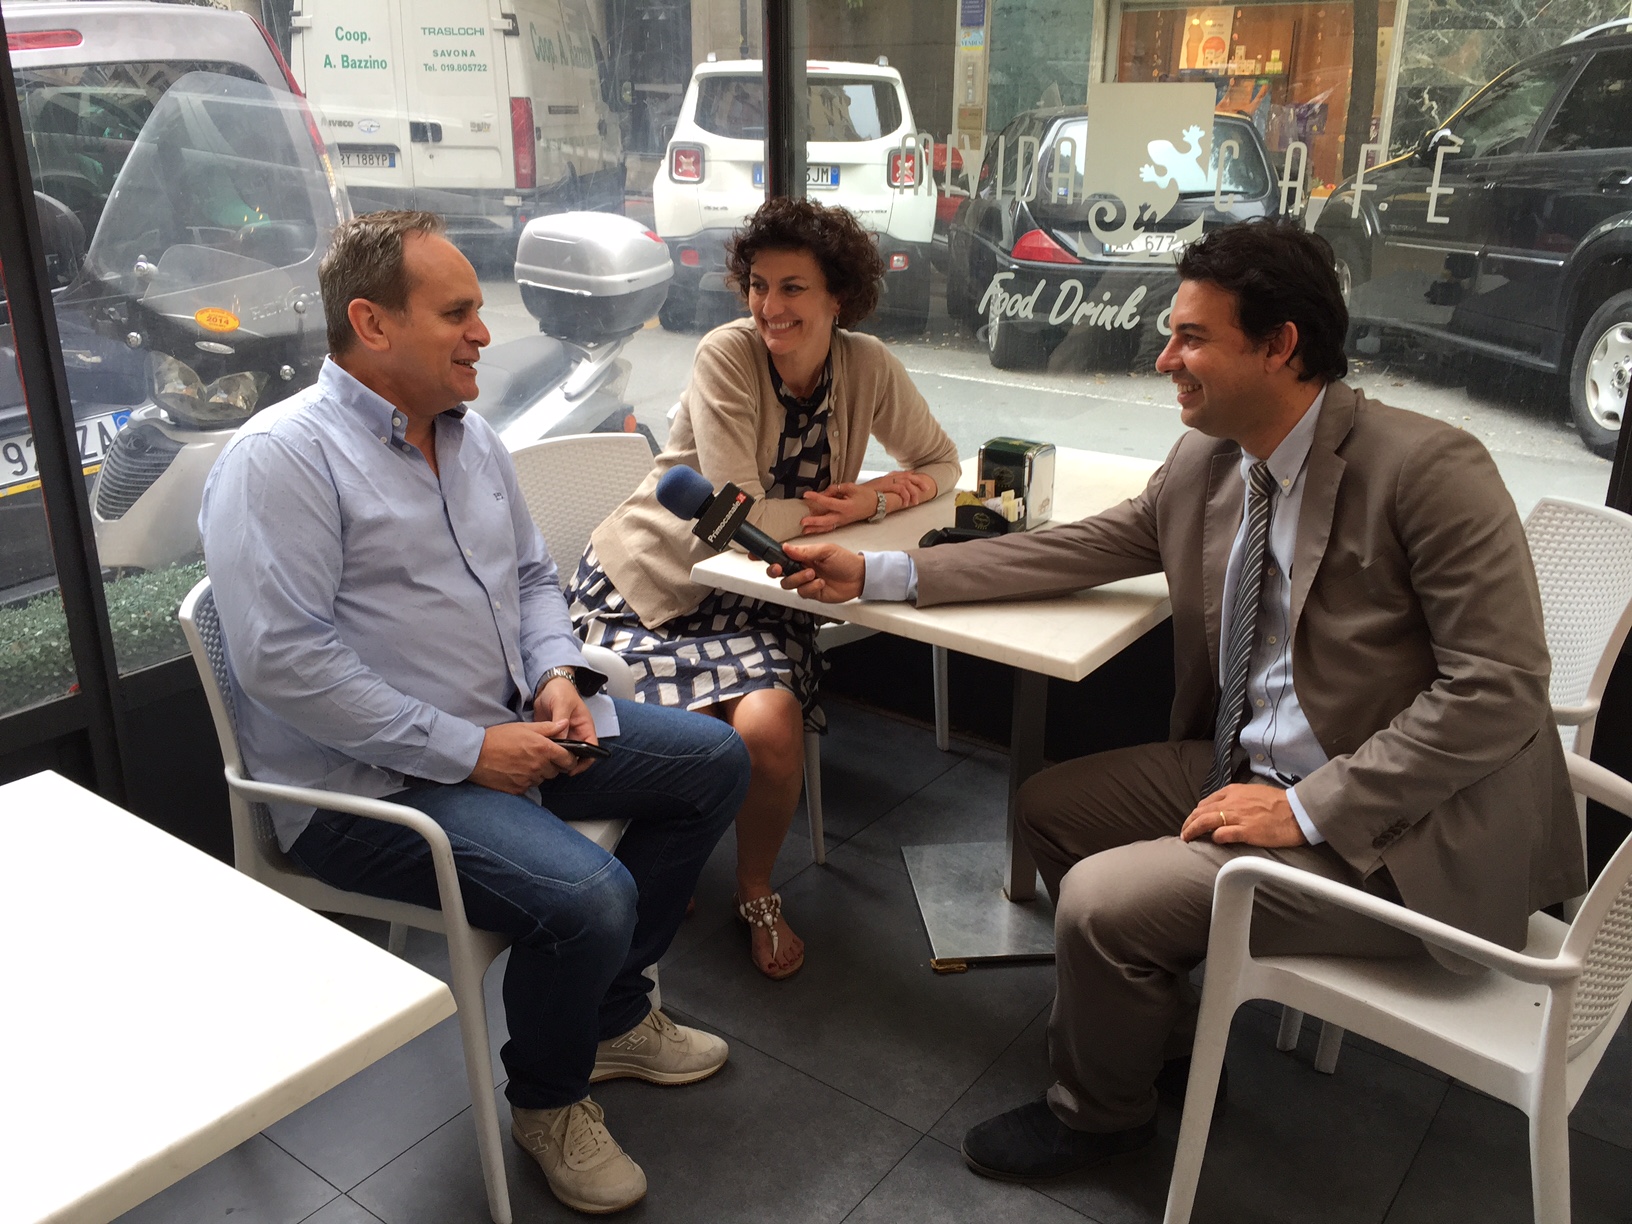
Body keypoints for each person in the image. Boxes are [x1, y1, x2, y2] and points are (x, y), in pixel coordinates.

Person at [774, 217, 1584, 1181]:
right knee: (1049, 810)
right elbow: (1078, 548)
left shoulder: (1429, 469)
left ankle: (1098, 1118)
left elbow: (1499, 691)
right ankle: (1160, 1043)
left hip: (1395, 834)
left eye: (1192, 338)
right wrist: (879, 572)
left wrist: (1305, 810)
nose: (1164, 360)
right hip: (1254, 769)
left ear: (1280, 345)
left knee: (1103, 904)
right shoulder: (1212, 462)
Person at [199, 211, 751, 1216]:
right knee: (589, 898)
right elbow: (285, 664)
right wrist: (469, 750)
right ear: (371, 323)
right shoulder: (280, 460)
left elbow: (533, 577)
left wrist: (553, 676)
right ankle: (548, 1100)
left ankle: (610, 1014)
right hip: (370, 789)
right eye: (456, 313)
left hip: (505, 725)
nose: (484, 332)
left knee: (712, 762)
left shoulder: (471, 437)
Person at [568, 198, 960, 980]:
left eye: (793, 288)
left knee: (770, 730)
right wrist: (850, 507)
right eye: (758, 285)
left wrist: (872, 499)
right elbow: (731, 515)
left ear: (838, 297)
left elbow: (942, 463)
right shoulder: (728, 353)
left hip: (766, 592)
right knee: (692, 729)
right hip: (651, 582)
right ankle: (672, 853)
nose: (769, 306)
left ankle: (754, 887)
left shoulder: (868, 365)